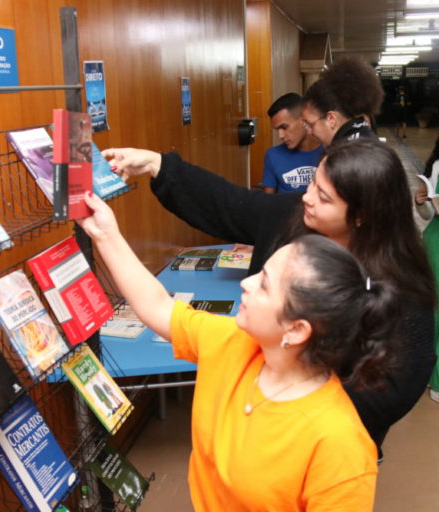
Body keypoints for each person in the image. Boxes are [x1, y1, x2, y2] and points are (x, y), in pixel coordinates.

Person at [102, 139, 436, 458]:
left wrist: (291, 400)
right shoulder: (295, 220)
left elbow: (394, 388)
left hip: (321, 438)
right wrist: (156, 164)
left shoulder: (400, 289)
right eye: (312, 183)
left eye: (323, 196)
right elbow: (228, 203)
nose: (306, 198)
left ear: (362, 214)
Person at [79, 188, 399, 510]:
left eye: (264, 284)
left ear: (296, 329)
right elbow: (159, 307)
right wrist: (105, 234)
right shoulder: (233, 342)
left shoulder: (339, 444)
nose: (247, 282)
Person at [301, 57, 383, 147]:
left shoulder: (344, 155)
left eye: (309, 124)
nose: (308, 132)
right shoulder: (371, 143)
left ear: (331, 119)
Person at [415, 136, 439, 403]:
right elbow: (427, 217)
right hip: (436, 242)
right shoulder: (437, 166)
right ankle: (433, 377)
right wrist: (421, 203)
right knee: (434, 308)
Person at [262, 93, 322, 193]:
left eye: (284, 127)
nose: (280, 135)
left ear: (304, 121)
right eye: (277, 130)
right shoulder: (273, 155)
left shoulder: (331, 151)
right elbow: (267, 202)